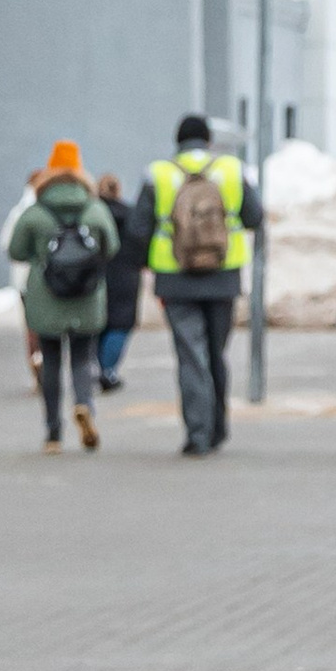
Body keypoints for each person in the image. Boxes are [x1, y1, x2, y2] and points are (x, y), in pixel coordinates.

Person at [134, 114, 252, 459]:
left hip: (175, 277)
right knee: (217, 353)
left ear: (178, 141)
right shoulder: (232, 169)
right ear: (208, 141)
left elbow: (139, 229)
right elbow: (254, 216)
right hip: (223, 274)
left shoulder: (158, 173)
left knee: (191, 356)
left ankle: (197, 434)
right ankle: (218, 429)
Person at [6, 144, 119, 452]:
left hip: (46, 296)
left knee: (52, 361)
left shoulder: (36, 211)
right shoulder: (94, 208)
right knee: (83, 357)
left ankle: (53, 433)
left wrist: (42, 254)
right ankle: (84, 405)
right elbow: (111, 247)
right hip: (86, 294)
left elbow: (15, 250)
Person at [95, 172, 149, 390]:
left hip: (96, 276)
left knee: (97, 324)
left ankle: (94, 366)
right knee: (120, 325)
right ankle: (108, 370)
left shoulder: (92, 215)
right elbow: (142, 245)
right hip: (126, 276)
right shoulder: (131, 215)